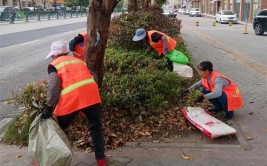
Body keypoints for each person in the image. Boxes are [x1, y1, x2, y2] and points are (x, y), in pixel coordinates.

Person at [41, 40, 106, 166]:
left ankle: (50, 159)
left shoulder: (54, 65)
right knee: (96, 127)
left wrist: (48, 107)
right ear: (66, 52)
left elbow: (54, 86)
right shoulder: (78, 60)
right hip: (92, 96)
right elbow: (89, 78)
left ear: (54, 55)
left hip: (72, 100)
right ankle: (101, 159)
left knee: (56, 129)